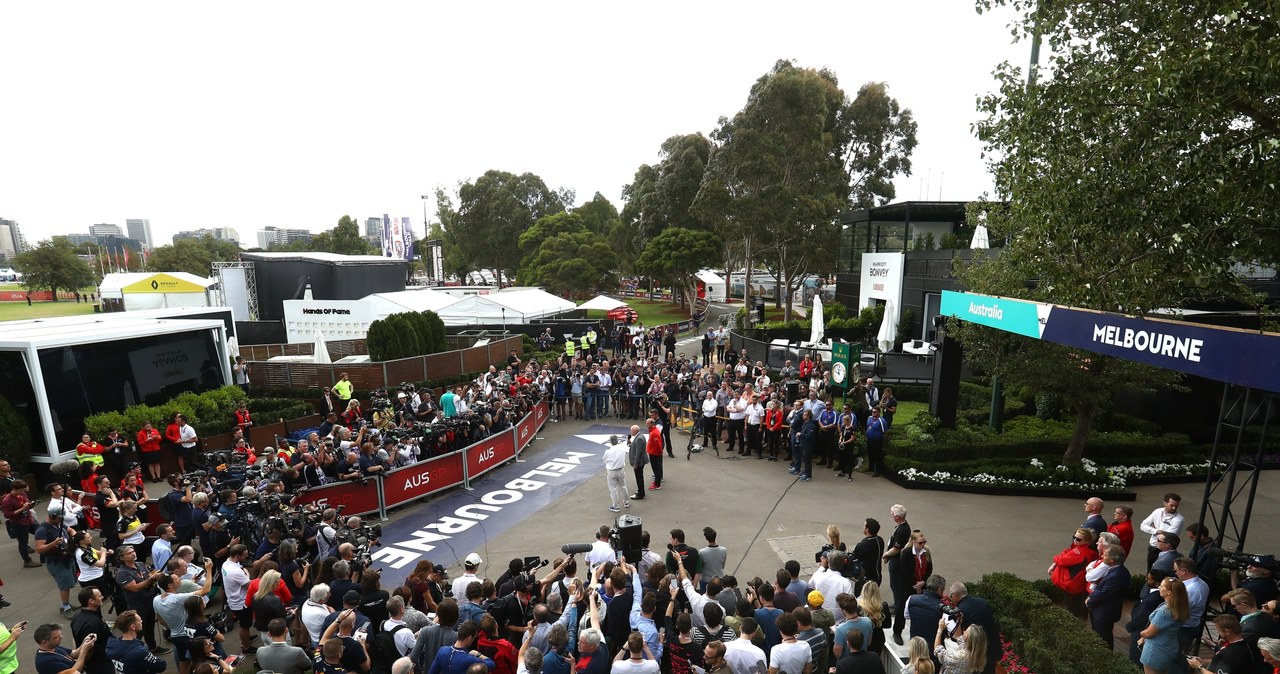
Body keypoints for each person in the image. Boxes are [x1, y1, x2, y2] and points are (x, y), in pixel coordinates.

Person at [153, 558, 215, 674]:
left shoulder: (156, 600)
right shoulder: (177, 598)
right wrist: (209, 569)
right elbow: (206, 590)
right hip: (189, 636)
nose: (179, 579)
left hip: (175, 636)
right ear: (170, 585)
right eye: (177, 579)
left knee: (183, 661)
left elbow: (160, 620)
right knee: (200, 662)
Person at [1138, 576, 1189, 674]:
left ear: (1169, 592)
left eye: (1161, 586)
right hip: (1169, 647)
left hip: (1155, 651)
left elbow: (1149, 633)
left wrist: (1141, 633)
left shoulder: (1164, 611)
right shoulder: (1178, 607)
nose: (1159, 588)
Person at [35, 509, 79, 616]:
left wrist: (74, 536)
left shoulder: (59, 525)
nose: (61, 520)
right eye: (60, 518)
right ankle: (66, 608)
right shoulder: (42, 530)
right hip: (56, 561)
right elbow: (39, 549)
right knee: (64, 585)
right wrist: (54, 543)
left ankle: (65, 603)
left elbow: (70, 530)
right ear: (52, 517)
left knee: (68, 583)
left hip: (67, 558)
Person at [1085, 547, 1129, 650]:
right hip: (1103, 610)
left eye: (1105, 555)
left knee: (1104, 637)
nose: (1102, 557)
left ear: (1112, 560)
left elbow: (1104, 593)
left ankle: (1105, 657)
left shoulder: (1117, 575)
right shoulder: (1115, 570)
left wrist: (1090, 600)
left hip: (1105, 612)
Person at [1048, 528, 1098, 617]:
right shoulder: (1081, 548)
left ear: (1086, 541)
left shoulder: (1080, 552)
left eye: (1078, 539)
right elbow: (1065, 552)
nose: (1075, 540)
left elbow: (1061, 560)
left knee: (1071, 605)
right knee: (1076, 601)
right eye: (1074, 537)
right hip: (1076, 583)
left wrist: (1056, 558)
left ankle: (1074, 620)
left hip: (1071, 584)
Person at [1187, 615, 1258, 674]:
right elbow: (1220, 661)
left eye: (1219, 631)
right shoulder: (1240, 641)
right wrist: (1203, 661)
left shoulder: (1233, 654)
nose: (1218, 633)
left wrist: (1199, 667)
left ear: (1227, 632)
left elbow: (1227, 661)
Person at [883, 504, 912, 645]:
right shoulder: (901, 527)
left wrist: (885, 555)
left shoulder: (902, 530)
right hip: (895, 564)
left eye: (892, 514)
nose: (891, 515)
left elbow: (896, 548)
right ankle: (896, 603)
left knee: (900, 596)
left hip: (898, 565)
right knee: (895, 588)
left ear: (898, 517)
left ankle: (897, 631)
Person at [71, 587, 114, 674]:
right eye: (99, 596)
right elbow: (89, 648)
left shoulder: (77, 615)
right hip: (100, 665)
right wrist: (82, 663)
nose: (102, 597)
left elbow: (74, 638)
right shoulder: (91, 624)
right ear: (91, 601)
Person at [426, 621, 495, 674]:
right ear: (470, 638)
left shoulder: (442, 651)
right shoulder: (470, 659)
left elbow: (432, 672)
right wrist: (478, 654)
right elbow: (491, 664)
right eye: (474, 638)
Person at [1, 479, 40, 568]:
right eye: (20, 490)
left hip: (29, 519)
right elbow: (8, 515)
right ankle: (27, 560)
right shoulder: (7, 500)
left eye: (23, 490)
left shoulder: (22, 494)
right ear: (14, 489)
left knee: (41, 531)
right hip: (19, 523)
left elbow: (26, 504)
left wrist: (31, 505)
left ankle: (44, 553)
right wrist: (22, 509)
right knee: (23, 542)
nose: (22, 492)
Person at [1139, 493, 1184, 570]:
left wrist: (1153, 530)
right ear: (1165, 503)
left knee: (1161, 573)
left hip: (1165, 551)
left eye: (1176, 506)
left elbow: (1167, 537)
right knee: (1149, 572)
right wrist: (1156, 531)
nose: (1174, 508)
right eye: (1172, 505)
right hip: (1153, 549)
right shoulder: (1157, 511)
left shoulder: (1178, 519)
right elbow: (1143, 526)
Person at [32, 623, 97, 674]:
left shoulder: (53, 647)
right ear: (45, 643)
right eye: (56, 637)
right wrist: (84, 651)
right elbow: (74, 671)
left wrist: (84, 642)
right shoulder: (46, 662)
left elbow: (74, 654)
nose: (61, 637)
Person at [603, 435, 630, 512]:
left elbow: (604, 459)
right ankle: (626, 502)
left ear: (610, 442)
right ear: (617, 441)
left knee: (613, 489)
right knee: (623, 486)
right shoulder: (622, 449)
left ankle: (616, 506)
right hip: (621, 470)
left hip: (612, 471)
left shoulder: (608, 452)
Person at [864, 407, 888, 477]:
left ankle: (877, 471)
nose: (873, 413)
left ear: (878, 413)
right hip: (869, 439)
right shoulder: (869, 418)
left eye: (874, 412)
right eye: (872, 412)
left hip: (877, 441)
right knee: (870, 453)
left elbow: (885, 432)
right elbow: (868, 426)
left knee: (877, 455)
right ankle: (870, 468)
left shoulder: (881, 421)